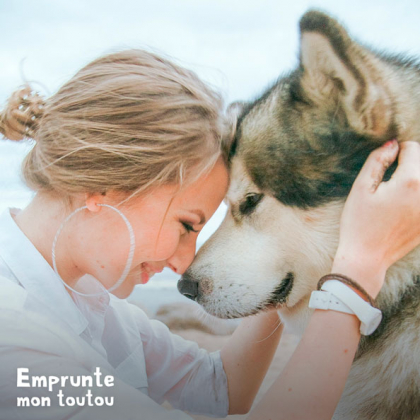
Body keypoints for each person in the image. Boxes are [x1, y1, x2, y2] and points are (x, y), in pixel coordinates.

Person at [0, 49, 419, 420]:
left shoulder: (85, 298)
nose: (185, 261)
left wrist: (282, 267)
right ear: (102, 186)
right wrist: (358, 270)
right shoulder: (12, 333)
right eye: (187, 224)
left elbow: (221, 388)